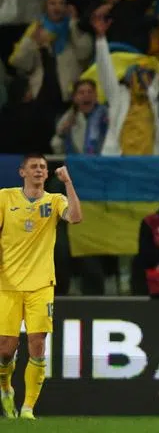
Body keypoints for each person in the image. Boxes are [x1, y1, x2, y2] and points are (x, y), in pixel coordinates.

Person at [0, 156, 83, 419]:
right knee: (5, 349)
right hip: (7, 284)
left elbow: (76, 218)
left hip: (41, 284)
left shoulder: (55, 200)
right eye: (34, 167)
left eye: (43, 167)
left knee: (37, 343)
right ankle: (5, 388)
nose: (39, 170)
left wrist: (68, 182)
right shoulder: (5, 197)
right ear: (22, 172)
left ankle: (28, 408)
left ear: (47, 174)